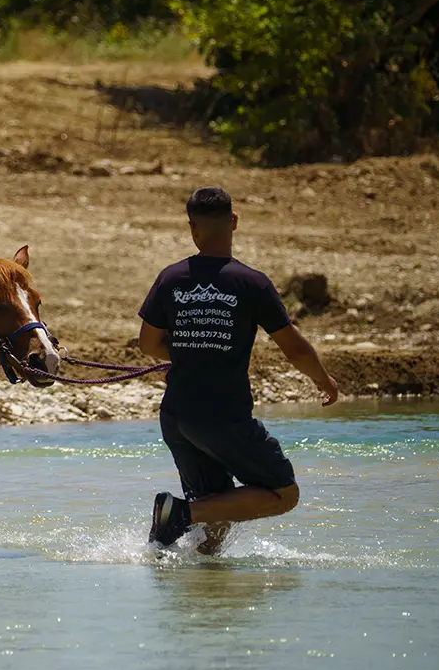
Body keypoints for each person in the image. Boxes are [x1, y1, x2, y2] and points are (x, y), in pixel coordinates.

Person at [137, 186, 339, 551]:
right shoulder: (250, 282)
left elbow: (149, 344)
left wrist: (187, 351)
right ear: (234, 222)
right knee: (283, 493)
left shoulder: (171, 278)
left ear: (192, 228)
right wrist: (323, 380)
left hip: (177, 417)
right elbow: (292, 347)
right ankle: (178, 514)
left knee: (216, 517)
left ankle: (192, 582)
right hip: (222, 417)